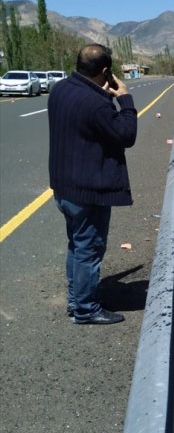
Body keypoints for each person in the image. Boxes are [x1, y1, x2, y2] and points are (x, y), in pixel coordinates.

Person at [48, 44, 137, 325]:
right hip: (88, 190)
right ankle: (86, 309)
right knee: (89, 248)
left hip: (64, 187)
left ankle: (76, 301)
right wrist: (124, 99)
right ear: (105, 72)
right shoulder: (97, 103)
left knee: (77, 245)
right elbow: (126, 134)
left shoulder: (61, 89)